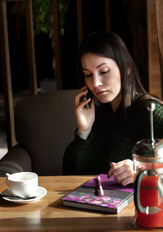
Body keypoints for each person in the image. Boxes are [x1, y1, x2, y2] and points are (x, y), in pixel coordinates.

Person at [63, 31, 163, 186]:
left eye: (103, 71)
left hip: (141, 207)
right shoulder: (100, 116)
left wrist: (142, 168)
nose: (95, 83)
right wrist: (84, 131)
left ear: (127, 67)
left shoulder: (149, 110)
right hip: (100, 206)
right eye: (88, 75)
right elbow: (69, 174)